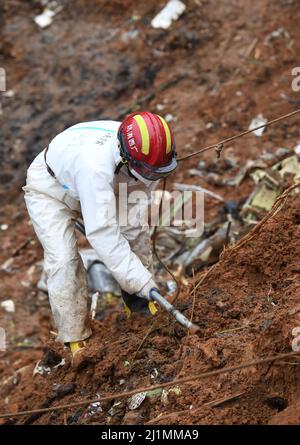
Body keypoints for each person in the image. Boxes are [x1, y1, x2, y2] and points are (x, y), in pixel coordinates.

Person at [23, 111, 177, 358]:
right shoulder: (94, 166)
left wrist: (141, 281)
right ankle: (76, 340)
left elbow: (129, 226)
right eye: (148, 171)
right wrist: (142, 281)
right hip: (51, 190)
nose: (152, 178)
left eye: (156, 172)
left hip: (114, 179)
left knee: (135, 234)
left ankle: (139, 307)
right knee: (63, 260)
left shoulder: (149, 157)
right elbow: (102, 232)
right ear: (126, 157)